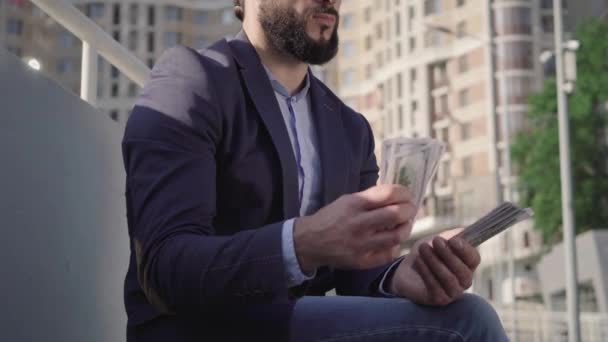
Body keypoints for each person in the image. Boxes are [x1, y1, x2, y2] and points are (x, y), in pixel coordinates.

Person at [122, 0, 509, 340]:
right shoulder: (192, 80)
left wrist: (400, 278)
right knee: (467, 322)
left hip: (294, 327)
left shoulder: (350, 129)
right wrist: (303, 242)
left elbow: (357, 280)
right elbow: (163, 267)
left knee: (461, 309)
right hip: (200, 329)